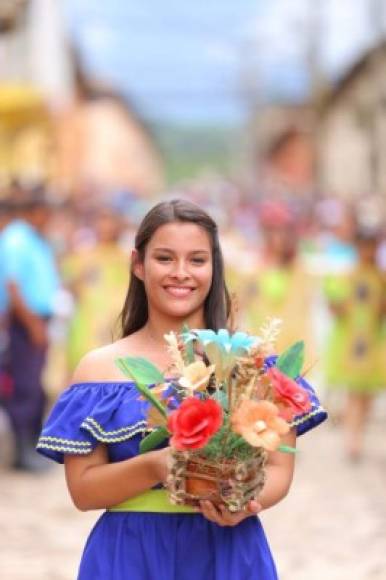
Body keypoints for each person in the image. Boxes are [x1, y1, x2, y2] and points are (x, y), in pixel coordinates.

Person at [37, 199, 327, 580]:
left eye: (197, 260)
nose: (181, 273)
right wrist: (155, 464)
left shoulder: (253, 362)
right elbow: (83, 491)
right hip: (129, 555)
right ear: (138, 265)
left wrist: (244, 504)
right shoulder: (100, 368)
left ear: (214, 266)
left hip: (227, 551)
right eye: (164, 258)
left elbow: (278, 471)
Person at [2, 188, 60, 471]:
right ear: (32, 211)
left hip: (38, 320)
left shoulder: (34, 239)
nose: (48, 218)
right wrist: (33, 325)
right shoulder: (16, 239)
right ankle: (22, 452)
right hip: (26, 323)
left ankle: (32, 448)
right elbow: (13, 287)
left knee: (36, 386)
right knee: (25, 388)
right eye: (45, 212)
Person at [324, 226, 386, 461]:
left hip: (373, 342)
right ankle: (353, 440)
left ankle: (357, 432)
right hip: (350, 343)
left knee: (368, 393)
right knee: (354, 393)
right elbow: (335, 308)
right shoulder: (347, 276)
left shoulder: (380, 277)